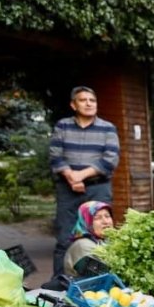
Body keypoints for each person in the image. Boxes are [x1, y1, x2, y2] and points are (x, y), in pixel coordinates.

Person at [49, 86, 119, 280]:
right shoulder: (62, 126)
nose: (88, 104)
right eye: (83, 100)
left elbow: (110, 159)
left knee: (104, 235)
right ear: (73, 104)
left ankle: (104, 281)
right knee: (64, 239)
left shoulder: (108, 128)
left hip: (98, 188)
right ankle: (59, 284)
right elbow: (55, 156)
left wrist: (81, 176)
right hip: (68, 188)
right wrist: (71, 176)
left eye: (92, 100)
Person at [63, 201, 114, 275]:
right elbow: (99, 276)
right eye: (97, 218)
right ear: (86, 221)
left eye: (107, 216)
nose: (105, 221)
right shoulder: (82, 245)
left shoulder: (107, 241)